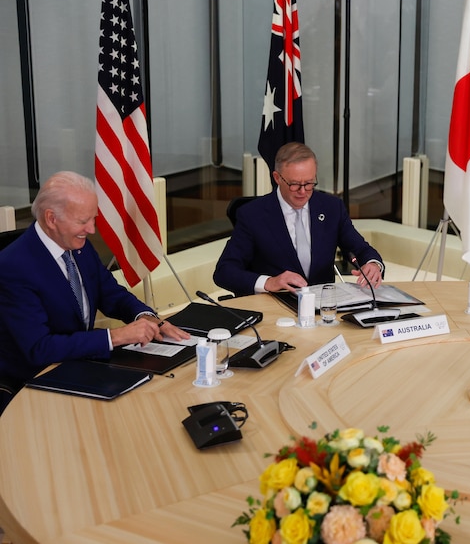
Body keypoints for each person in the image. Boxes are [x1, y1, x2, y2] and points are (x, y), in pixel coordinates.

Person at [0, 171, 189, 415]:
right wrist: (116, 337)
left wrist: (144, 316)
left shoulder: (76, 245)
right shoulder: (13, 267)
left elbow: (109, 292)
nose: (91, 229)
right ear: (51, 218)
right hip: (34, 382)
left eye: (94, 219)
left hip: (81, 362)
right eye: (82, 221)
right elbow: (40, 348)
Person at [214, 142, 384, 296]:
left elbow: (361, 250)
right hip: (275, 308)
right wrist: (269, 282)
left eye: (309, 183)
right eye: (295, 184)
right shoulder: (252, 214)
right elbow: (224, 271)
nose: (303, 191)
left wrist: (373, 265)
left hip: (323, 309)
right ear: (277, 178)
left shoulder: (332, 208)